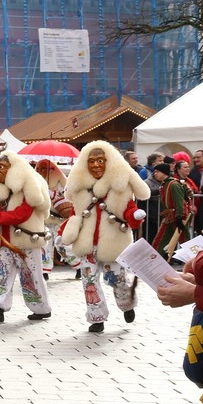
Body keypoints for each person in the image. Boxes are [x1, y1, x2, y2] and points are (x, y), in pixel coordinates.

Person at [60, 141, 150, 333]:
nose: (95, 165)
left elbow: (128, 208)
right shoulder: (80, 188)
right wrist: (65, 231)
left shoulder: (121, 184)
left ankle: (127, 305)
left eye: (100, 160)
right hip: (87, 243)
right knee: (89, 282)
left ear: (108, 162)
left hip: (113, 241)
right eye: (91, 161)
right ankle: (97, 318)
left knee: (118, 279)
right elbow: (75, 213)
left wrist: (134, 216)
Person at [0, 150, 52, 323]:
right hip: (2, 239)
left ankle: (40, 308)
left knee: (31, 275)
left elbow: (23, 213)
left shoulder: (28, 185)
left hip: (25, 239)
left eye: (2, 167)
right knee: (0, 274)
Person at [152, 162, 193, 259]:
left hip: (178, 217)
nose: (155, 174)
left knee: (185, 242)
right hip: (169, 217)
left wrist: (180, 217)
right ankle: (152, 263)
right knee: (159, 241)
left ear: (164, 172)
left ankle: (195, 263)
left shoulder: (174, 184)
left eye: (157, 171)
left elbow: (179, 202)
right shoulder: (164, 184)